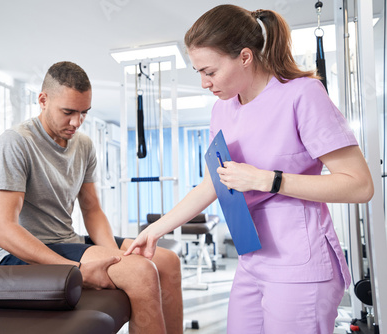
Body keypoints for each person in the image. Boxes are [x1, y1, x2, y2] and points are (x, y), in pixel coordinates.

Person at [124, 4, 374, 334]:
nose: (203, 83)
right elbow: (210, 185)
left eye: (209, 72)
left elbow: (359, 185)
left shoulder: (302, 94)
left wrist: (265, 179)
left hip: (298, 260)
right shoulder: (221, 111)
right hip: (252, 257)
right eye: (198, 72)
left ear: (244, 57)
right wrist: (155, 230)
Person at [0, 61, 182, 334]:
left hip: (68, 240)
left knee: (167, 261)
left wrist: (116, 257)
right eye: (68, 112)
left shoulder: (84, 144)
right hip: (21, 256)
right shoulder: (17, 142)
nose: (76, 122)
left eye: (84, 113)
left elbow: (92, 210)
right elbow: (3, 231)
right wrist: (75, 269)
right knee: (140, 272)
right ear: (43, 100)